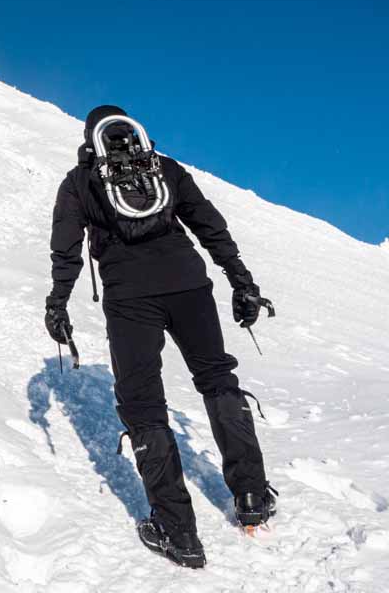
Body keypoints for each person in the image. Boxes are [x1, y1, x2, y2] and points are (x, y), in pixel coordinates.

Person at [44, 104, 277, 569]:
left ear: (91, 140)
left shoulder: (80, 182)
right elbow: (210, 226)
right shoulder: (164, 168)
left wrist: (57, 302)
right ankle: (251, 495)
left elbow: (66, 249)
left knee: (143, 402)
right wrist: (241, 280)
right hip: (189, 283)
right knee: (216, 380)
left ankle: (178, 531)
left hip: (129, 298)